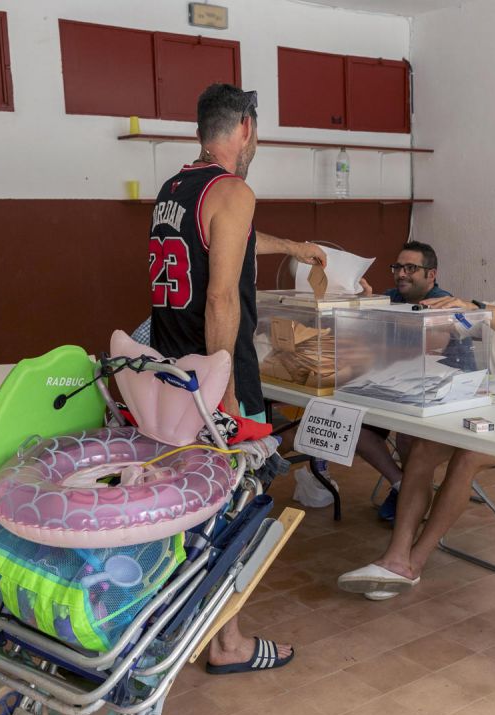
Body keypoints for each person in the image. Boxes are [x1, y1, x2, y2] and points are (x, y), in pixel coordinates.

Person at [150, 82, 327, 674]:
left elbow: (228, 240)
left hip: (170, 373)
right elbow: (222, 296)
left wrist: (292, 246)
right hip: (214, 379)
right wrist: (224, 391)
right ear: (246, 127)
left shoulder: (175, 190)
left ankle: (188, 621)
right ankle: (226, 642)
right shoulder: (233, 189)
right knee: (233, 504)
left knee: (193, 502)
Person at [338, 238, 495, 599]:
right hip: (488, 417)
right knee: (422, 448)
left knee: (467, 456)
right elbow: (451, 327)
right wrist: (386, 309)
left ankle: (414, 562)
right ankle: (396, 557)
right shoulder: (491, 312)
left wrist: (473, 307)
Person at [358, 240, 453, 521]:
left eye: (410, 268)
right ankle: (403, 484)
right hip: (394, 386)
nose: (401, 274)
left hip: (441, 393)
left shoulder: (442, 302)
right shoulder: (392, 297)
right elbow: (365, 337)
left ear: (431, 274)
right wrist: (365, 301)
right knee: (350, 423)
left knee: (407, 432)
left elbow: (430, 350)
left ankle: (413, 491)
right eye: (398, 267)